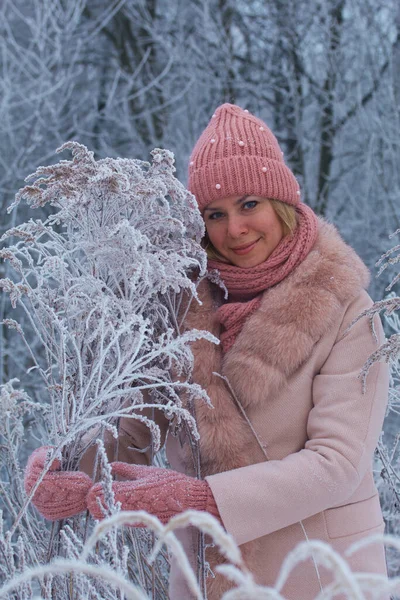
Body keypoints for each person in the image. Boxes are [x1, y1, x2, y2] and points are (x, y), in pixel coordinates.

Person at [24, 103, 389, 600]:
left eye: (249, 204)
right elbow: (134, 427)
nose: (233, 229)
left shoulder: (348, 307)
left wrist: (200, 498)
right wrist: (68, 469)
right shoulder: (180, 305)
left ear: (281, 202)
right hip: (207, 578)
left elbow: (338, 464)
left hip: (321, 575)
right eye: (214, 214)